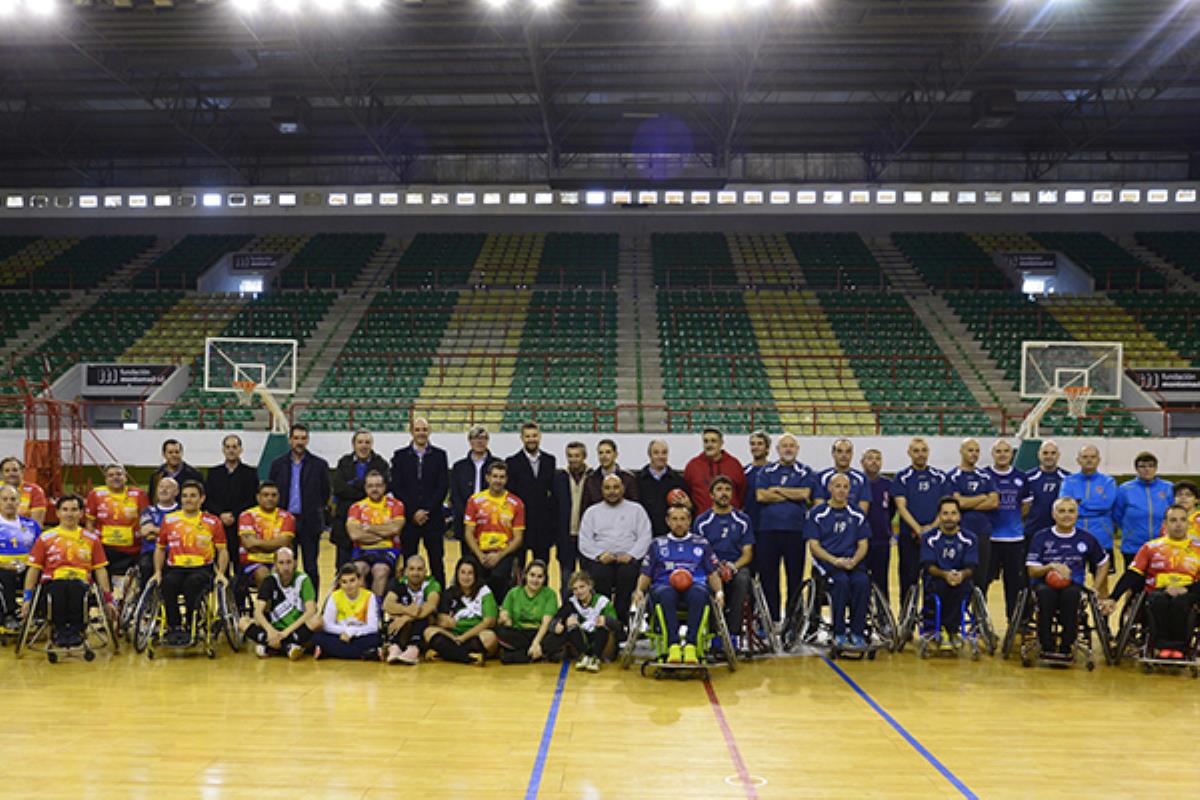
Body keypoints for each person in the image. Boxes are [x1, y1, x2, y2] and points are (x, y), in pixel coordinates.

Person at [633, 505, 724, 665]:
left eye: (683, 519)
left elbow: (712, 573)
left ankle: (691, 645)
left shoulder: (701, 543)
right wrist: (639, 590)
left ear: (689, 521)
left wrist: (719, 593)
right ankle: (673, 645)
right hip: (664, 585)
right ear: (668, 521)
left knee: (699, 593)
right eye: (674, 519)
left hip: (695, 585)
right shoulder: (657, 544)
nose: (679, 523)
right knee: (666, 594)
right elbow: (646, 572)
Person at [1108, 505, 1200, 659]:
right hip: (1157, 592)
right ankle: (1162, 646)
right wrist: (1113, 597)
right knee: (1159, 601)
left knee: (1181, 603)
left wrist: (1186, 588)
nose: (1178, 524)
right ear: (1165, 523)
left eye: (1182, 520)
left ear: (1188, 524)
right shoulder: (1150, 547)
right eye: (1173, 520)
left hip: (1188, 593)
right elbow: (1132, 574)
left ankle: (1179, 648)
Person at [21, 495, 113, 648]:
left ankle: (76, 631)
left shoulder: (91, 539)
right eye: (65, 510)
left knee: (75, 587)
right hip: (53, 583)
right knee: (60, 588)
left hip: (81, 583)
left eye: (74, 510)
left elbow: (100, 570)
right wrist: (27, 598)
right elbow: (33, 569)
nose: (69, 514)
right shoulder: (45, 538)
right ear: (57, 513)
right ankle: (60, 630)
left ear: (81, 513)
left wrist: (108, 600)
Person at [1025, 497, 1111, 659]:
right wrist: (1051, 566)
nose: (1066, 515)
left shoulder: (1086, 538)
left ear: (1077, 515)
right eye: (1061, 511)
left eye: (1071, 511)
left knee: (1071, 596)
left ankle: (1066, 645)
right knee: (1045, 596)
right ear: (1053, 514)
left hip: (1073, 585)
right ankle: (1046, 645)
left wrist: (1096, 587)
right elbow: (1032, 570)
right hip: (1044, 584)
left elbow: (1103, 562)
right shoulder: (1041, 537)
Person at [152, 480, 229, 646]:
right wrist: (158, 571)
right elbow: (160, 548)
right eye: (185, 496)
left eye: (193, 496)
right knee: (168, 583)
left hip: (202, 568)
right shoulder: (169, 520)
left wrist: (221, 573)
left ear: (202, 499)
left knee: (192, 584)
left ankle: (190, 624)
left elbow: (222, 550)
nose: (188, 499)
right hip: (175, 567)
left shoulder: (213, 522)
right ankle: (174, 626)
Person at [806, 473, 871, 649]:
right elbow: (814, 546)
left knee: (862, 582)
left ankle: (857, 632)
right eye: (837, 486)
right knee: (840, 582)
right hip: (828, 563)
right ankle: (839, 632)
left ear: (849, 490)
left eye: (845, 487)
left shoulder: (856, 513)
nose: (841, 490)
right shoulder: (817, 514)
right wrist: (835, 561)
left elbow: (863, 544)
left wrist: (854, 560)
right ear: (830, 488)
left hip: (852, 561)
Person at [753, 433, 812, 623]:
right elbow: (761, 496)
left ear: (797, 449)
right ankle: (771, 618)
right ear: (777, 450)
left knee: (795, 577)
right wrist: (791, 494)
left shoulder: (806, 471)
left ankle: (793, 620)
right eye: (784, 446)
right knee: (769, 577)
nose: (788, 449)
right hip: (768, 530)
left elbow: (804, 494)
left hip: (795, 530)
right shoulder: (766, 471)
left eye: (791, 446)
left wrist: (777, 490)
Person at [577, 474, 653, 621]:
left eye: (616, 487)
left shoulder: (636, 510)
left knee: (628, 574)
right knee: (598, 575)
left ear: (623, 489)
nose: (612, 491)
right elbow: (584, 541)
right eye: (607, 488)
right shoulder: (592, 512)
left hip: (628, 560)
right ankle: (602, 618)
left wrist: (631, 555)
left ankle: (621, 620)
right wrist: (599, 555)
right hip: (601, 560)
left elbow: (645, 537)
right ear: (602, 490)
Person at [268, 424, 331, 592]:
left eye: (303, 438)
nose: (300, 442)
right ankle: (288, 605)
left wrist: (314, 509)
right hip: (285, 522)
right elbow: (271, 492)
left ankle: (311, 606)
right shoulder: (278, 464)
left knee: (311, 566)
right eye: (296, 438)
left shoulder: (320, 465)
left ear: (308, 440)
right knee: (286, 567)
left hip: (310, 521)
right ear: (290, 440)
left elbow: (325, 493)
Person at [693, 475, 754, 639]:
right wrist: (715, 567)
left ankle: (733, 633)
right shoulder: (702, 521)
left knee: (743, 579)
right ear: (711, 495)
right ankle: (714, 635)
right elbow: (698, 553)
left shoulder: (743, 520)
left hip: (736, 566)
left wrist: (733, 566)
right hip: (711, 567)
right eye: (719, 490)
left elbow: (748, 554)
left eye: (727, 490)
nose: (724, 493)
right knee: (706, 582)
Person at [391, 417, 449, 588]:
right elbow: (397, 486)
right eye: (417, 430)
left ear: (429, 431)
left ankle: (440, 602)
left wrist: (427, 511)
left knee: (437, 562)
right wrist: (412, 512)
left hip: (433, 519)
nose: (421, 433)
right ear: (411, 432)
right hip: (409, 520)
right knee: (409, 562)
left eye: (424, 429)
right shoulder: (400, 456)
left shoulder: (440, 455)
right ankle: (407, 597)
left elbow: (443, 486)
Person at [893, 437, 947, 607]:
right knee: (909, 580)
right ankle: (906, 623)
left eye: (923, 450)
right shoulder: (902, 477)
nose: (920, 454)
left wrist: (931, 528)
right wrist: (918, 529)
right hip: (909, 537)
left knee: (933, 581)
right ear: (909, 453)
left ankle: (930, 624)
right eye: (916, 451)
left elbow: (946, 507)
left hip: (936, 538)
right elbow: (901, 507)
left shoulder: (940, 477)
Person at [919, 498, 979, 650]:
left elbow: (971, 567)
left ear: (959, 516)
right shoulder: (930, 538)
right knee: (942, 586)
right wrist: (945, 575)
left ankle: (951, 630)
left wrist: (960, 575)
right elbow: (928, 565)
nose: (949, 517)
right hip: (937, 578)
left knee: (961, 587)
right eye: (945, 513)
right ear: (939, 516)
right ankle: (947, 629)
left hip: (961, 578)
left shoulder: (969, 538)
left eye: (953, 513)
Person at [463, 461, 525, 601]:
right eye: (495, 476)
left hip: (503, 553)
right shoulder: (475, 501)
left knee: (499, 577)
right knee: (471, 576)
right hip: (480, 552)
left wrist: (499, 556)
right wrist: (480, 556)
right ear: (487, 478)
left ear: (506, 479)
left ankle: (498, 611)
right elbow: (468, 533)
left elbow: (518, 538)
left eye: (502, 477)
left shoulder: (516, 503)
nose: (498, 480)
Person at [946, 438, 999, 598]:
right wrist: (982, 497)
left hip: (982, 532)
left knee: (981, 578)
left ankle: (978, 618)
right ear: (961, 451)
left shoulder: (986, 476)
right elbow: (957, 503)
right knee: (961, 575)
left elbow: (994, 502)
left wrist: (968, 501)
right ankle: (958, 615)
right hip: (960, 532)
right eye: (970, 450)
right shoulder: (953, 476)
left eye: (977, 450)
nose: (974, 454)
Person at [245, 547, 318, 660]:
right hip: (275, 626)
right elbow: (258, 612)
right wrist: (270, 630)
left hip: (295, 627)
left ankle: (269, 646)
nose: (285, 567)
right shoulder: (269, 580)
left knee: (317, 621)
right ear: (275, 565)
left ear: (295, 563)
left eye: (289, 562)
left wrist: (286, 632)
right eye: (281, 563)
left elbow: (311, 610)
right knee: (242, 622)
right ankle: (288, 646)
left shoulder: (303, 580)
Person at [422, 557, 498, 665]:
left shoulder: (485, 593)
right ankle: (469, 657)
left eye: (470, 573)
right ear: (457, 574)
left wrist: (462, 638)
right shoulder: (450, 592)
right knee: (428, 632)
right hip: (453, 636)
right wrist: (442, 620)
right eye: (462, 573)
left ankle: (446, 654)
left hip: (474, 635)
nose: (466, 577)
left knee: (490, 638)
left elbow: (489, 622)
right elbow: (441, 618)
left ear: (476, 575)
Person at [332, 430, 390, 569]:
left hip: (372, 525)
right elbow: (339, 488)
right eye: (360, 442)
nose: (363, 446)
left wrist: (354, 484)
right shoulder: (343, 462)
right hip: (345, 524)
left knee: (368, 568)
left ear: (372, 445)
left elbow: (382, 490)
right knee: (343, 568)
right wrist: (364, 490)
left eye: (367, 442)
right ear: (354, 444)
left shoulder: (381, 464)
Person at [984, 440, 1027, 620]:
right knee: (983, 582)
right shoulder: (984, 475)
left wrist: (1014, 522)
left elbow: (1025, 507)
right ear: (992, 453)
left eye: (1006, 451)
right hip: (990, 539)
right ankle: (981, 622)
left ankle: (1014, 621)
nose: (1002, 454)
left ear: (1012, 454)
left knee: (1014, 585)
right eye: (998, 451)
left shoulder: (1021, 477)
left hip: (1014, 540)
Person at [203, 434, 258, 576]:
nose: (231, 450)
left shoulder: (250, 473)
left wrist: (234, 514)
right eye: (227, 447)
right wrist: (220, 515)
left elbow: (252, 499)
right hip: (219, 527)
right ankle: (225, 597)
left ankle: (239, 597)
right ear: (223, 450)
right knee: (222, 568)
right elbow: (208, 499)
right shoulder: (213, 473)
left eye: (234, 447)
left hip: (241, 527)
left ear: (241, 450)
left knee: (240, 569)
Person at [86, 463, 150, 583]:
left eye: (119, 474)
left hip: (133, 549)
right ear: (105, 479)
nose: (115, 477)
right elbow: (90, 523)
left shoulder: (139, 495)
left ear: (125, 477)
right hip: (105, 549)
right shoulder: (95, 495)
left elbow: (145, 521)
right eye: (111, 475)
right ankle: (103, 596)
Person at [505, 422, 557, 565]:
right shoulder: (512, 462)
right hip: (519, 525)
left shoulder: (549, 460)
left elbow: (552, 493)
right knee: (518, 568)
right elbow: (510, 496)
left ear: (540, 436)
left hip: (542, 525)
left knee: (542, 567)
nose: (531, 439)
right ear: (521, 438)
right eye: (527, 436)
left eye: (534, 436)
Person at [544, 570, 618, 671]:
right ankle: (583, 656)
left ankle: (595, 659)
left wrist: (607, 620)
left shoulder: (602, 602)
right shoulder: (571, 603)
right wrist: (557, 625)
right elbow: (554, 620)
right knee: (571, 623)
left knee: (603, 623)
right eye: (575, 589)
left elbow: (617, 625)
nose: (579, 591)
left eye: (582, 587)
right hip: (582, 641)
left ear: (590, 586)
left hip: (601, 642)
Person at [347, 471, 406, 597]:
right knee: (358, 570)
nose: (374, 489)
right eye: (370, 486)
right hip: (361, 550)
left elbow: (395, 529)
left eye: (378, 485)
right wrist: (384, 533)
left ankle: (376, 611)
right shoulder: (356, 507)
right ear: (365, 488)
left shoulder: (396, 505)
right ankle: (363, 608)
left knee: (380, 570)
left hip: (388, 549)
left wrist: (367, 528)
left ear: (384, 487)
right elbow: (355, 535)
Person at [1113, 451, 1174, 573]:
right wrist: (1131, 531)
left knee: (1159, 584)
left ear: (1156, 468)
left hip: (1162, 546)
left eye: (1151, 466)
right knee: (1134, 584)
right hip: (1133, 547)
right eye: (1142, 466)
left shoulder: (1168, 487)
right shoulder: (1125, 489)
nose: (1147, 469)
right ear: (1136, 469)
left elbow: (1174, 513)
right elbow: (1117, 515)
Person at [1059, 445, 1118, 568]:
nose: (1089, 460)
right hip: (1074, 534)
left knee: (1101, 579)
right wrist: (1095, 505)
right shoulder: (1068, 481)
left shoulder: (1108, 481)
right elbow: (1065, 505)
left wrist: (1081, 503)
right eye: (1085, 457)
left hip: (1102, 537)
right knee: (1072, 578)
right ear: (1078, 460)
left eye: (1093, 457)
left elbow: (1106, 505)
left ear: (1099, 460)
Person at [311, 563, 382, 661]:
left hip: (359, 635)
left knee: (376, 638)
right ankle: (365, 653)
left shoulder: (369, 596)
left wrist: (353, 632)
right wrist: (345, 631)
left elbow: (373, 627)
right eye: (344, 582)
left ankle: (330, 651)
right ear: (340, 583)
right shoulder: (334, 596)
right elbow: (327, 625)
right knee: (318, 637)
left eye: (352, 580)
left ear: (359, 580)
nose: (349, 585)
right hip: (341, 635)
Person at [382, 554, 441, 665]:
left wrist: (405, 618)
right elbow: (387, 604)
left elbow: (430, 606)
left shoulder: (432, 584)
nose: (415, 573)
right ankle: (395, 647)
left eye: (419, 569)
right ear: (406, 571)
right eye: (412, 569)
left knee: (425, 616)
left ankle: (414, 649)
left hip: (423, 626)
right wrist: (407, 610)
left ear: (425, 571)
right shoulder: (400, 583)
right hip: (405, 628)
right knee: (395, 616)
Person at [496, 559, 559, 664]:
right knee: (500, 631)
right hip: (519, 633)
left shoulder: (550, 594)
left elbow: (546, 623)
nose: (535, 580)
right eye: (532, 575)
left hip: (540, 632)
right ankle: (540, 654)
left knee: (558, 634)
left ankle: (520, 656)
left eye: (540, 576)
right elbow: (508, 623)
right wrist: (504, 619)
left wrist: (536, 642)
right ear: (526, 575)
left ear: (544, 579)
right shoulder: (513, 593)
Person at [237, 481, 296, 589]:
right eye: (266, 495)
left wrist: (258, 542)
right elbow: (248, 544)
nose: (270, 498)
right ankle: (267, 606)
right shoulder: (247, 515)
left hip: (280, 562)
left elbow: (284, 542)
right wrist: (275, 544)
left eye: (274, 495)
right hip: (252, 562)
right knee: (263, 574)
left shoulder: (287, 517)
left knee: (281, 572)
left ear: (278, 497)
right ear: (258, 497)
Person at [552, 441, 591, 595]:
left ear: (584, 456)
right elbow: (553, 508)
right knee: (566, 580)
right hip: (565, 537)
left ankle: (587, 613)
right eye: (570, 456)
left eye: (577, 456)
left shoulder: (593, 477)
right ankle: (566, 614)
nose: (573, 459)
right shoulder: (558, 478)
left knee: (587, 580)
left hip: (587, 538)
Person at [0, 484, 40, 629]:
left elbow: (41, 551)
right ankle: (9, 614)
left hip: (28, 568)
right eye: (4, 499)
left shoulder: (31, 525)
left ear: (19, 502)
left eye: (13, 499)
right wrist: (5, 565)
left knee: (43, 575)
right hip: (3, 568)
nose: (9, 502)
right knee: (5, 575)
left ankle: (37, 613)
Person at [450, 426, 499, 543]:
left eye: (483, 438)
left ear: (487, 441)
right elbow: (455, 495)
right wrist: (468, 515)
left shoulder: (498, 464)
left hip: (491, 521)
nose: (479, 441)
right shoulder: (459, 467)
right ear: (470, 441)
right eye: (476, 438)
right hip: (466, 522)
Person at [683, 428, 745, 515]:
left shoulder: (734, 465)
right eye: (706, 441)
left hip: (730, 522)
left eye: (713, 441)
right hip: (701, 522)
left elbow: (742, 493)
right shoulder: (692, 466)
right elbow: (687, 493)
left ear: (721, 443)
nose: (709, 444)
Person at [636, 439, 689, 539]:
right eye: (656, 453)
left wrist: (688, 505)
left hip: (671, 536)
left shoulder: (678, 481)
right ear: (649, 455)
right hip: (645, 535)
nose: (660, 456)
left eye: (664, 452)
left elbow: (687, 509)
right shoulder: (638, 480)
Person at [861, 448, 895, 601]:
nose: (874, 461)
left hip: (881, 540)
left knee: (881, 581)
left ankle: (883, 620)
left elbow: (892, 509)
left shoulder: (888, 485)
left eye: (877, 458)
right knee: (859, 582)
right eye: (870, 458)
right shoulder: (857, 482)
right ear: (862, 462)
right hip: (860, 542)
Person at [1022, 441, 1069, 544]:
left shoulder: (1068, 479)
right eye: (1045, 453)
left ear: (1058, 455)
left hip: (1060, 533)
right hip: (1032, 533)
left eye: (1053, 453)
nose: (1049, 456)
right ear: (1039, 455)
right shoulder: (1028, 478)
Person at [138, 476, 179, 587]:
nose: (163, 490)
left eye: (168, 487)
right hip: (150, 552)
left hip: (175, 553)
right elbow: (146, 532)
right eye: (161, 487)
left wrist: (156, 531)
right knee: (145, 566)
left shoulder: (182, 511)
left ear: (176, 492)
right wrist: (170, 532)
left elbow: (181, 534)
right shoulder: (148, 511)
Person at [812, 439, 870, 514]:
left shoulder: (862, 478)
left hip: (852, 523)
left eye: (848, 452)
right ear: (833, 454)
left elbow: (862, 511)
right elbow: (819, 507)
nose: (844, 455)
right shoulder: (821, 477)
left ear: (852, 454)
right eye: (839, 451)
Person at [581, 438, 639, 511]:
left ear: (615, 454)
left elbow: (635, 508)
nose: (604, 456)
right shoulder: (590, 481)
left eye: (608, 452)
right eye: (601, 453)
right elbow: (585, 509)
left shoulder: (628, 479)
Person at [742, 431, 771, 539]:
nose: (756, 447)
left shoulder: (774, 471)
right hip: (750, 524)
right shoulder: (744, 472)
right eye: (753, 444)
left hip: (769, 526)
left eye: (760, 444)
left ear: (767, 448)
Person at [1, 456, 46, 526]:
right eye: (7, 471)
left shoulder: (35, 491)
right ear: (1, 474)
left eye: (15, 470)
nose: (11, 473)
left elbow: (37, 523)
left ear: (22, 471)